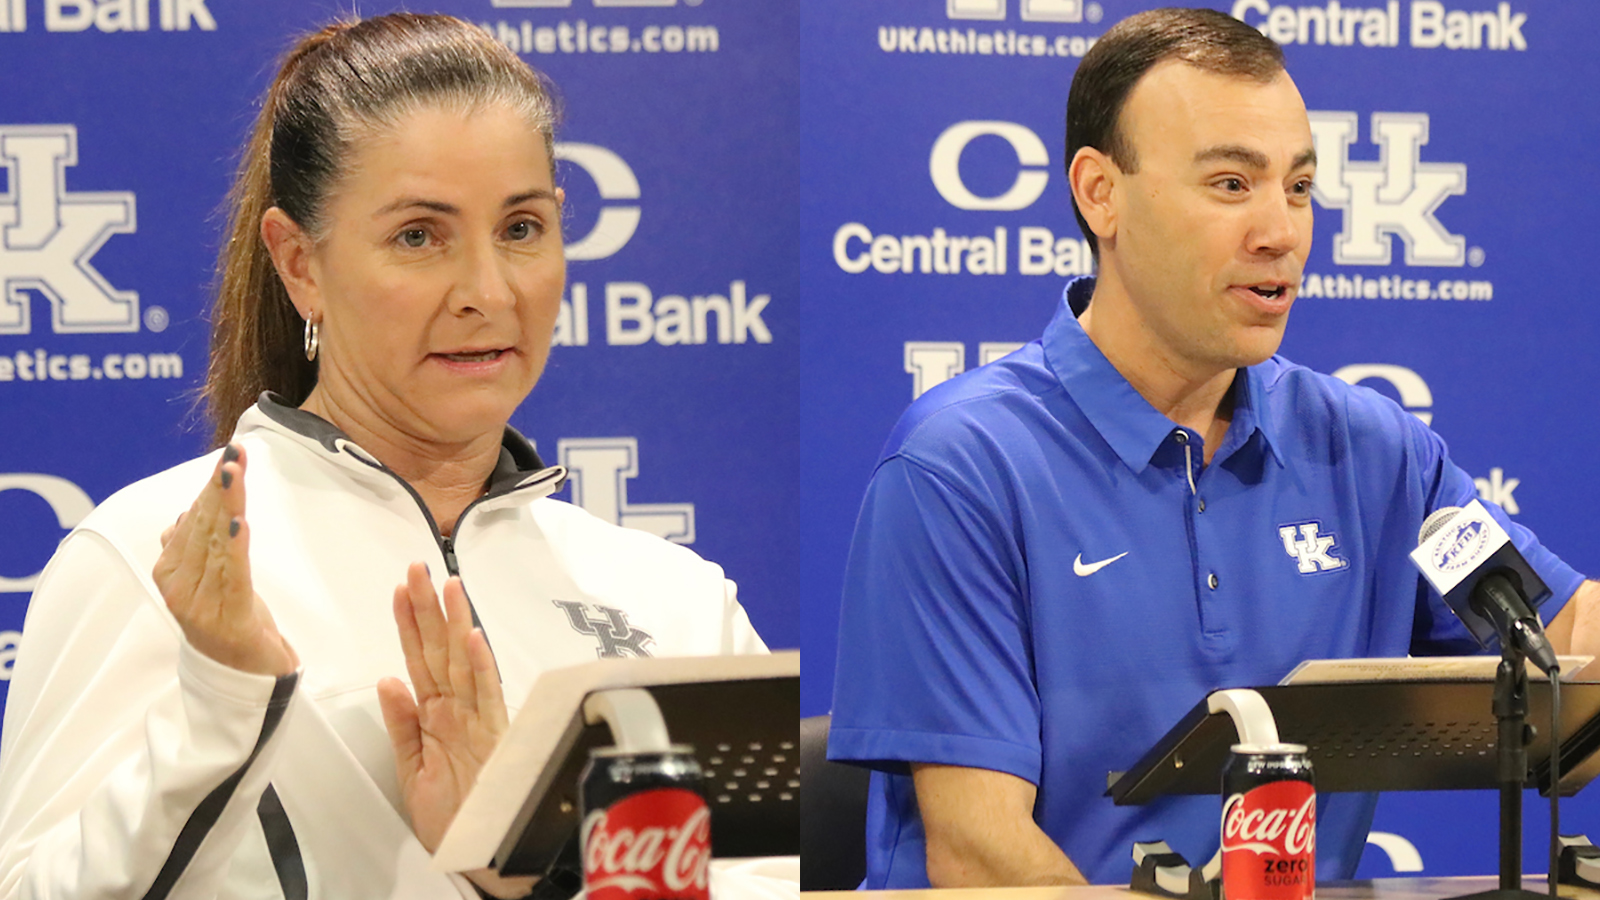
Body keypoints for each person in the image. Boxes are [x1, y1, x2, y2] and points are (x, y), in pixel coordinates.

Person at [0, 14, 777, 900]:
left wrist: (525, 859)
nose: (488, 292)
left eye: (521, 229)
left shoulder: (672, 601)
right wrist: (220, 707)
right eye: (419, 236)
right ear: (299, 263)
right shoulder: (154, 560)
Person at [826, 6, 1600, 890]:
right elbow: (977, 854)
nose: (1282, 230)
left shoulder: (1375, 453)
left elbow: (1567, 660)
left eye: (1299, 187)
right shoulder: (961, 467)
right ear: (1099, 193)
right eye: (1233, 184)